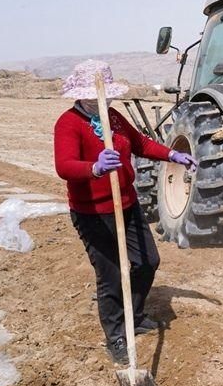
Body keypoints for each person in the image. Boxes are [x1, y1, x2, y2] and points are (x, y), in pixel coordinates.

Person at [54, 60, 196, 365]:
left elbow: (140, 143)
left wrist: (173, 154)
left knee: (147, 262)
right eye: (97, 96)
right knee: (110, 275)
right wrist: (94, 168)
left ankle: (135, 315)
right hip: (93, 213)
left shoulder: (115, 118)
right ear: (82, 95)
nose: (103, 101)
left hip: (126, 204)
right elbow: (64, 166)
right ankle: (116, 335)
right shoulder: (69, 123)